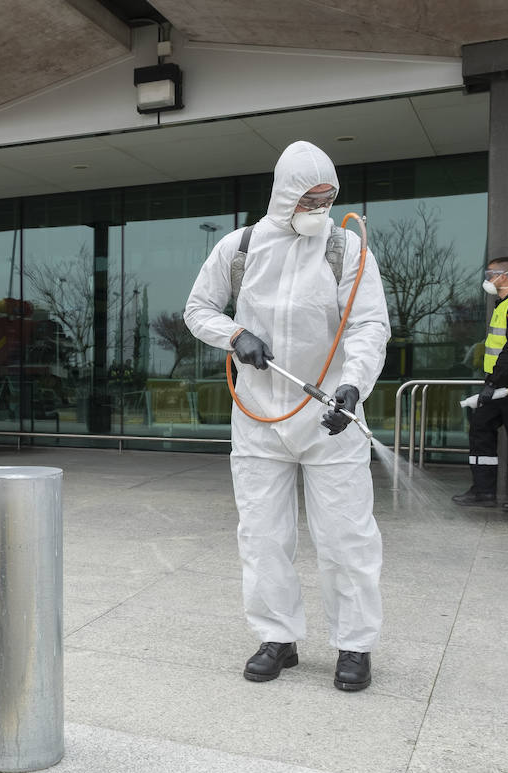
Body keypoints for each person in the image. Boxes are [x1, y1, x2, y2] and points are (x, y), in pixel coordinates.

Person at [185, 140, 390, 692]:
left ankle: (354, 646)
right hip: (258, 414)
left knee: (347, 534)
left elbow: (369, 325)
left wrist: (354, 385)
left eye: (329, 198)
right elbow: (197, 309)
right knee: (262, 534)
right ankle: (277, 636)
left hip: (331, 415)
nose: (319, 208)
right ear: (285, 195)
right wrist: (236, 335)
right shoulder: (240, 246)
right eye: (310, 197)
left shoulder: (347, 250)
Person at [452, 258, 508, 511]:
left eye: (491, 274)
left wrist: (492, 381)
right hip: (499, 383)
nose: (488, 278)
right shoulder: (503, 305)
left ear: (505, 276)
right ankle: (483, 490)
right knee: (480, 428)